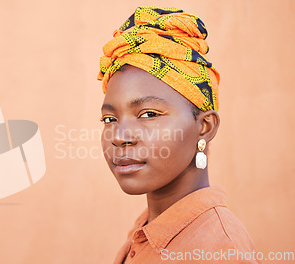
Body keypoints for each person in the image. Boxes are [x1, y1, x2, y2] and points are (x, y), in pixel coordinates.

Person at [97, 6, 259, 263]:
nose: (119, 136)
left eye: (149, 114)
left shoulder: (219, 250)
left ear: (204, 126)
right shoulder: (146, 231)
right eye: (110, 119)